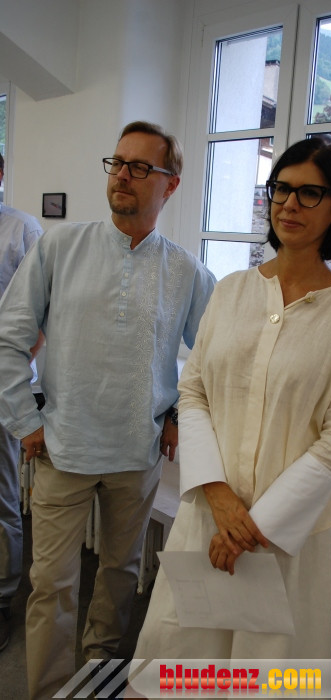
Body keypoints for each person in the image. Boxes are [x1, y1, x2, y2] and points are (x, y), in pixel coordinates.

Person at [132, 137, 331, 670]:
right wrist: (220, 497)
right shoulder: (232, 291)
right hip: (210, 516)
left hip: (285, 537)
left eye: (310, 193)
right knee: (180, 661)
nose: (289, 204)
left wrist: (255, 526)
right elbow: (195, 391)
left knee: (263, 672)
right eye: (281, 189)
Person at [0, 122, 215, 699]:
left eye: (140, 167)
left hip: (136, 453)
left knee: (119, 577)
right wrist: (25, 421)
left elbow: (216, 357)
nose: (122, 175)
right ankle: (46, 690)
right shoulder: (60, 247)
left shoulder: (186, 272)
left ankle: (98, 678)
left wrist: (177, 416)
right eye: (118, 162)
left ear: (171, 184)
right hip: (62, 446)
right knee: (51, 584)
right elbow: (8, 338)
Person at [0, 153, 44, 654]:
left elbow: (42, 311)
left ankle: (1, 597)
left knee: (1, 496)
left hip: (2, 388)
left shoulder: (22, 229)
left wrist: (16, 363)